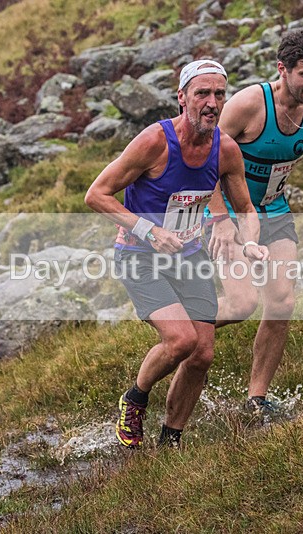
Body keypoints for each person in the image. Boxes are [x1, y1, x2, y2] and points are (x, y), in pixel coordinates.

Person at [85, 60, 268, 448]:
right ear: (181, 97)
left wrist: (250, 240)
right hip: (139, 255)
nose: (212, 102)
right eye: (202, 93)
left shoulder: (226, 150)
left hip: (188, 256)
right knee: (182, 341)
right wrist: (150, 231)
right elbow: (96, 195)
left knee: (201, 355)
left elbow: (247, 209)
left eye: (220, 94)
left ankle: (171, 439)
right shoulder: (154, 141)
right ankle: (135, 397)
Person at [205, 28, 303, 416]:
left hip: (275, 212)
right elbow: (205, 159)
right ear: (283, 69)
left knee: (282, 301)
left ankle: (255, 401)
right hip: (232, 211)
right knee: (242, 303)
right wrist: (220, 218)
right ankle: (180, 334)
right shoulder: (248, 105)